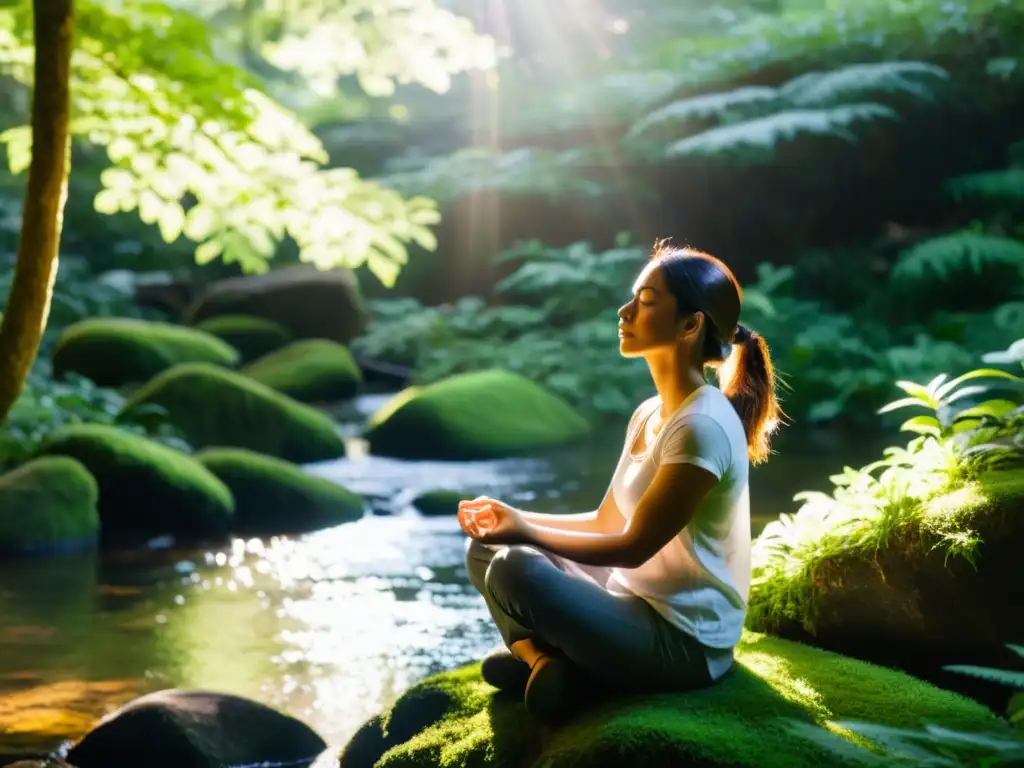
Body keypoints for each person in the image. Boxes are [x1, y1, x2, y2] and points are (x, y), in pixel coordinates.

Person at [458, 241, 783, 722]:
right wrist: (513, 518)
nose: (625, 310)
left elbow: (632, 546)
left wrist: (523, 533)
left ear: (691, 324)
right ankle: (547, 662)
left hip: (685, 642)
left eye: (647, 301)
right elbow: (606, 519)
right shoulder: (651, 412)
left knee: (514, 568)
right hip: (628, 601)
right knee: (484, 549)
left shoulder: (702, 425)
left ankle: (564, 666)